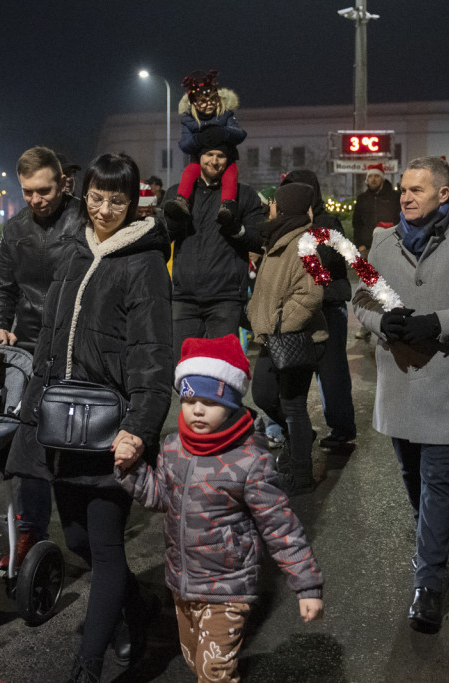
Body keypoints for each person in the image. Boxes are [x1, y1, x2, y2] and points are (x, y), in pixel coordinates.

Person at [11, 153, 173, 681]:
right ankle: (137, 606)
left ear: (133, 203)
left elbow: (153, 354)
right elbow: (50, 338)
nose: (105, 210)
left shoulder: (144, 260)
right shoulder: (74, 249)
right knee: (77, 541)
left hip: (111, 425)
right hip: (60, 423)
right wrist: (30, 411)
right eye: (98, 199)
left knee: (103, 549)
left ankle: (88, 666)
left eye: (117, 201)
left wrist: (139, 429)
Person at [352, 156, 449, 633]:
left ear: (444, 194)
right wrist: (381, 321)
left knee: (438, 482)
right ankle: (432, 542)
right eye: (404, 189)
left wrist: (439, 323)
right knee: (412, 477)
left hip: (446, 382)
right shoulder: (381, 241)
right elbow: (358, 300)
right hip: (398, 381)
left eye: (417, 190)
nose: (406, 197)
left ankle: (429, 582)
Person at [116, 335, 324, 683]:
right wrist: (130, 469)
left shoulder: (250, 462)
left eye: (209, 402)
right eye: (189, 400)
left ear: (229, 404)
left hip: (228, 590)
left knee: (215, 673)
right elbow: (159, 498)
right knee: (196, 661)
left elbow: (281, 527)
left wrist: (307, 586)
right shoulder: (172, 448)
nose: (197, 409)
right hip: (182, 583)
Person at [0, 146, 84, 569]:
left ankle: (83, 530)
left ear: (63, 182)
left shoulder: (85, 219)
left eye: (44, 190)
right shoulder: (15, 228)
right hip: (28, 342)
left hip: (77, 341)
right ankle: (30, 531)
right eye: (27, 192)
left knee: (75, 440)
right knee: (29, 444)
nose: (36, 200)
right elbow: (3, 287)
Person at [246, 182, 328, 496]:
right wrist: (257, 313)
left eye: (273, 204)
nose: (270, 209)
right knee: (266, 396)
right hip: (274, 338)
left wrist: (282, 324)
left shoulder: (303, 244)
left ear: (283, 207)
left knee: (292, 407)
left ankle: (302, 474)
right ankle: (301, 442)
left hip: (296, 339)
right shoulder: (280, 239)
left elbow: (312, 295)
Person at [163, 136, 264, 359]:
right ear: (199, 158)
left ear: (229, 160)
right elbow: (161, 239)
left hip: (225, 298)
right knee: (180, 368)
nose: (214, 161)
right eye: (209, 155)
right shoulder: (176, 194)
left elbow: (258, 240)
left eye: (220, 156)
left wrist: (236, 229)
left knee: (220, 366)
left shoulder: (244, 195)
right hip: (184, 298)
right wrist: (173, 223)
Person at [280, 170, 356, 450]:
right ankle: (289, 427)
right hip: (293, 308)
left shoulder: (327, 221)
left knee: (332, 371)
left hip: (328, 305)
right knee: (287, 369)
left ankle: (341, 429)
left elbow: (331, 262)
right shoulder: (282, 223)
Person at [163, 69, 247, 227]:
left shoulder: (225, 115)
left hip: (226, 158)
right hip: (199, 159)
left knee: (231, 174)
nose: (209, 105)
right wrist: (199, 138)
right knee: (189, 171)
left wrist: (223, 132)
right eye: (203, 101)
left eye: (212, 100)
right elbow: (185, 144)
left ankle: (227, 205)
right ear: (194, 102)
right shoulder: (189, 120)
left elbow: (240, 134)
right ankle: (181, 201)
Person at [352, 164, 401, 341]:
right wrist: (360, 246)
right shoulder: (363, 198)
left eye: (376, 176)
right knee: (367, 288)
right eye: (370, 176)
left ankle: (392, 321)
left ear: (382, 177)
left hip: (389, 247)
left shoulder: (394, 197)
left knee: (390, 285)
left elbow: (399, 220)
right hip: (367, 248)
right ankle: (367, 325)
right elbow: (356, 224)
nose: (373, 179)